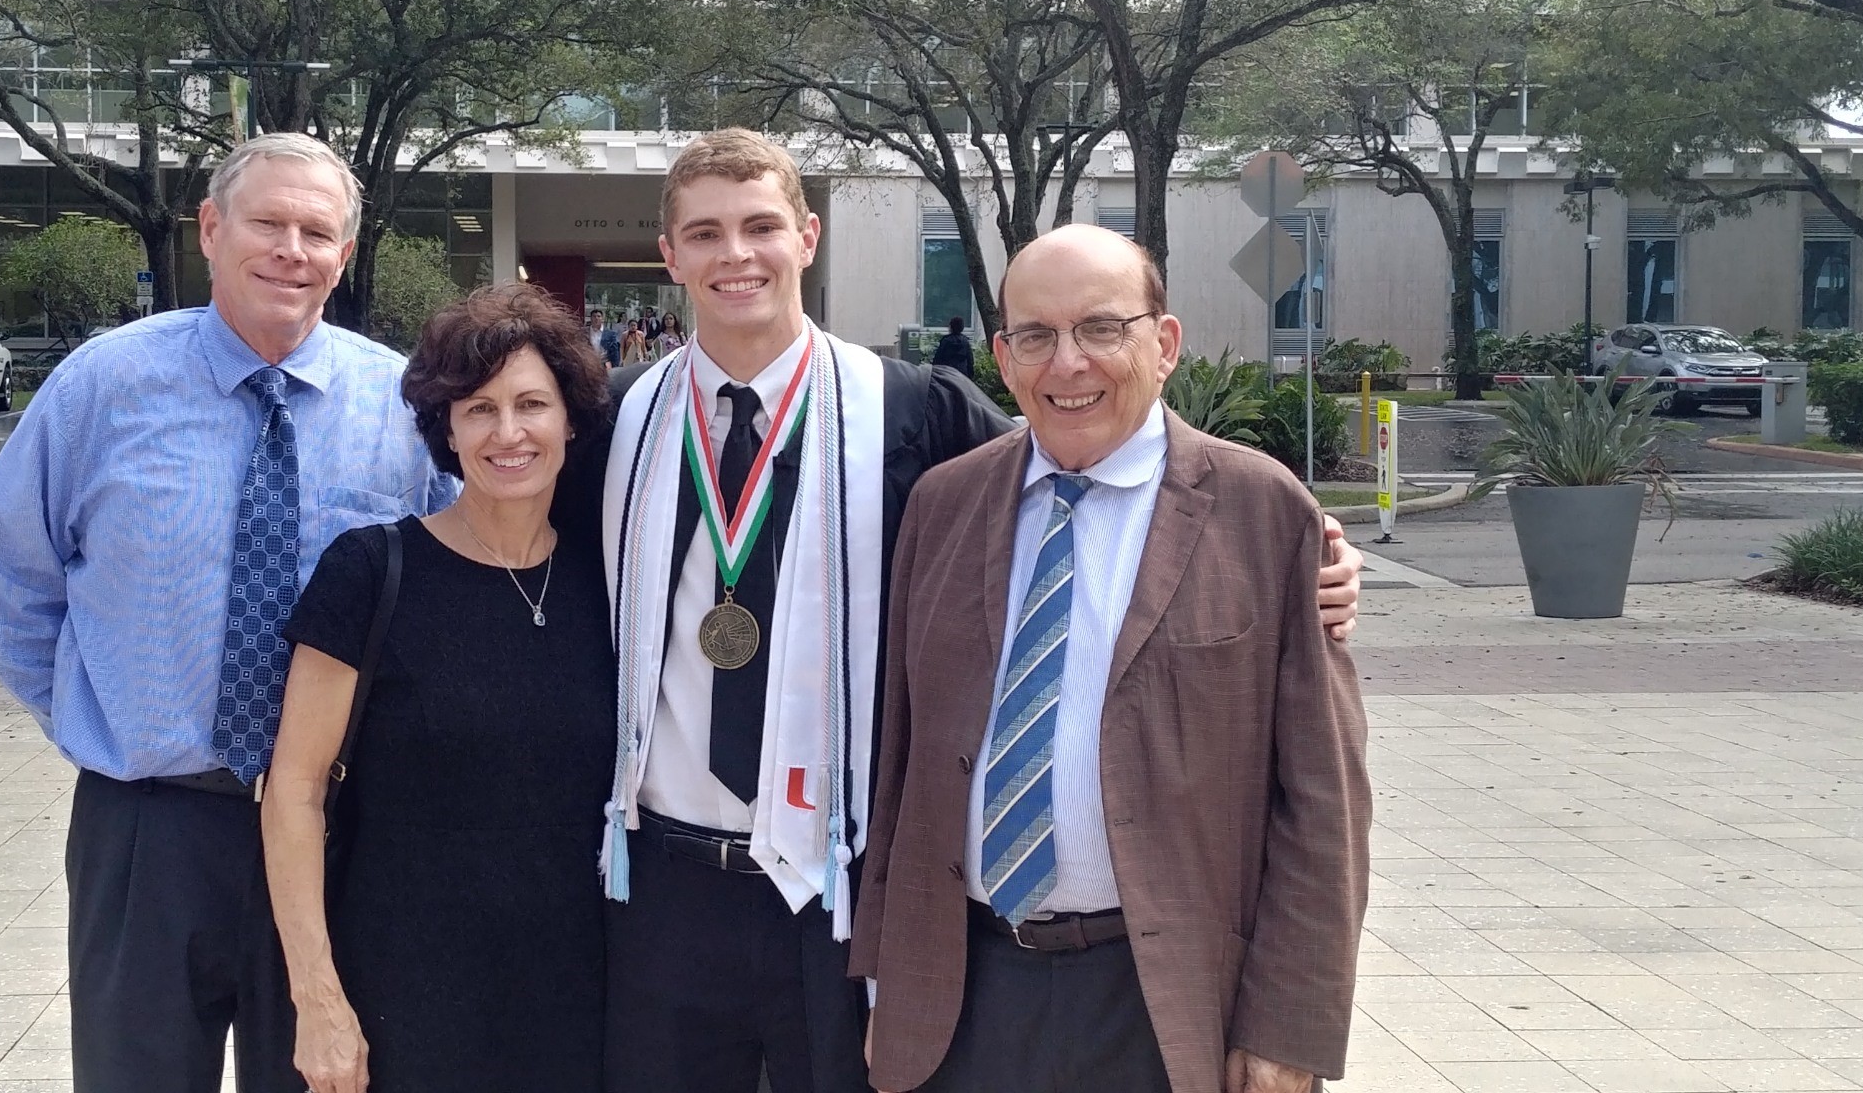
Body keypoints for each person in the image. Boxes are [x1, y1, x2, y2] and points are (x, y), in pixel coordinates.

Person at [583, 130, 1367, 1093]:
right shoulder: (614, 419)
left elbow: (1096, 453)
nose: (735, 254)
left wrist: (1312, 549)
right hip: (663, 881)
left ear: (809, 237)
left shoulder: (911, 412)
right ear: (670, 256)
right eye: (704, 233)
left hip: (832, 884)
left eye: (760, 226)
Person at [0, 132, 456, 1093]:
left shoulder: (396, 404)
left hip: (341, 831)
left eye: (317, 232)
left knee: (327, 1078)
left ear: (344, 257)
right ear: (213, 230)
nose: (291, 250)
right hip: (150, 829)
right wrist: (90, 710)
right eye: (268, 223)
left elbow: (438, 589)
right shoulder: (104, 386)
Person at [852, 225, 1371, 1093]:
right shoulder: (943, 506)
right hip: (964, 996)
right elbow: (901, 763)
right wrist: (882, 982)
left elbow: (1323, 799)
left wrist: (1290, 1026)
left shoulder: (1262, 511)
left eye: (1101, 329)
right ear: (1002, 357)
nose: (1068, 365)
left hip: (1162, 999)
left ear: (1161, 344)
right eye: (1036, 336)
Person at [263, 284, 617, 1093]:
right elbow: (294, 790)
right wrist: (317, 1000)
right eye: (479, 409)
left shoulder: (610, 580)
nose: (509, 432)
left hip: (577, 998)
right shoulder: (371, 571)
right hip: (402, 996)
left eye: (532, 403)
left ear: (571, 420)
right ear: (445, 429)